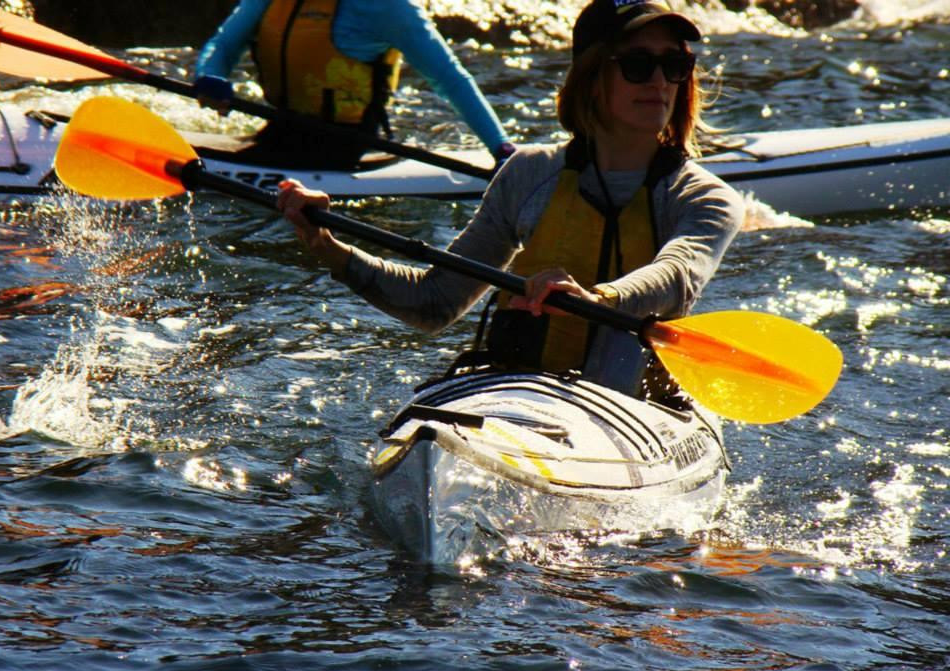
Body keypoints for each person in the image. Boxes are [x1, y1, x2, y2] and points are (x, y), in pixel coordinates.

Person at [276, 0, 745, 400]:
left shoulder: (707, 199)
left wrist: (598, 297)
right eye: (638, 64)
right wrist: (328, 246)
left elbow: (678, 273)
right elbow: (434, 301)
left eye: (675, 64)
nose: (659, 81)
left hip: (632, 408)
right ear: (591, 76)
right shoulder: (529, 173)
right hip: (521, 396)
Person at [194, 0, 515, 169]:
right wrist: (210, 77)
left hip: (344, 145)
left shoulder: (387, 7)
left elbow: (449, 77)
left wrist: (500, 148)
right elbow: (223, 45)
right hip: (280, 129)